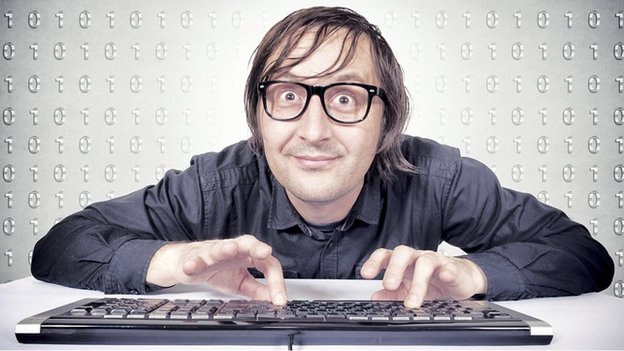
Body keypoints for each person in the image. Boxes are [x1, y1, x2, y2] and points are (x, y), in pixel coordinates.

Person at [31, 6, 613, 309]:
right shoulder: (213, 184)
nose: (314, 130)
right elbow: (60, 246)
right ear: (257, 116)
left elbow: (582, 255)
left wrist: (474, 272)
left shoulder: (439, 176)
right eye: (288, 96)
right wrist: (168, 263)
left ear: (388, 118)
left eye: (345, 97)